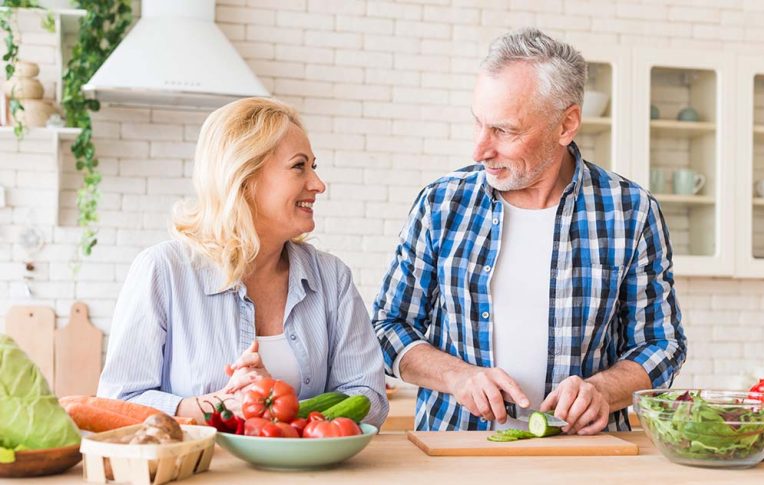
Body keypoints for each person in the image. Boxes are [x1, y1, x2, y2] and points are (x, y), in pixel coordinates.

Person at [372, 28, 686, 434]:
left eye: (504, 130)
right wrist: (456, 376)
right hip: (456, 447)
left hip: (585, 456)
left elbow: (662, 344)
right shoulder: (441, 204)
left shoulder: (631, 211)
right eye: (478, 124)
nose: (480, 149)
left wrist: (603, 390)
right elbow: (388, 327)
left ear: (566, 125)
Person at [98, 97, 388, 428]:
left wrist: (276, 404)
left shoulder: (332, 278)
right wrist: (215, 406)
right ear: (245, 177)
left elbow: (370, 400)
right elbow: (117, 403)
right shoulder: (163, 271)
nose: (318, 184)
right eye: (299, 166)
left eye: (314, 167)